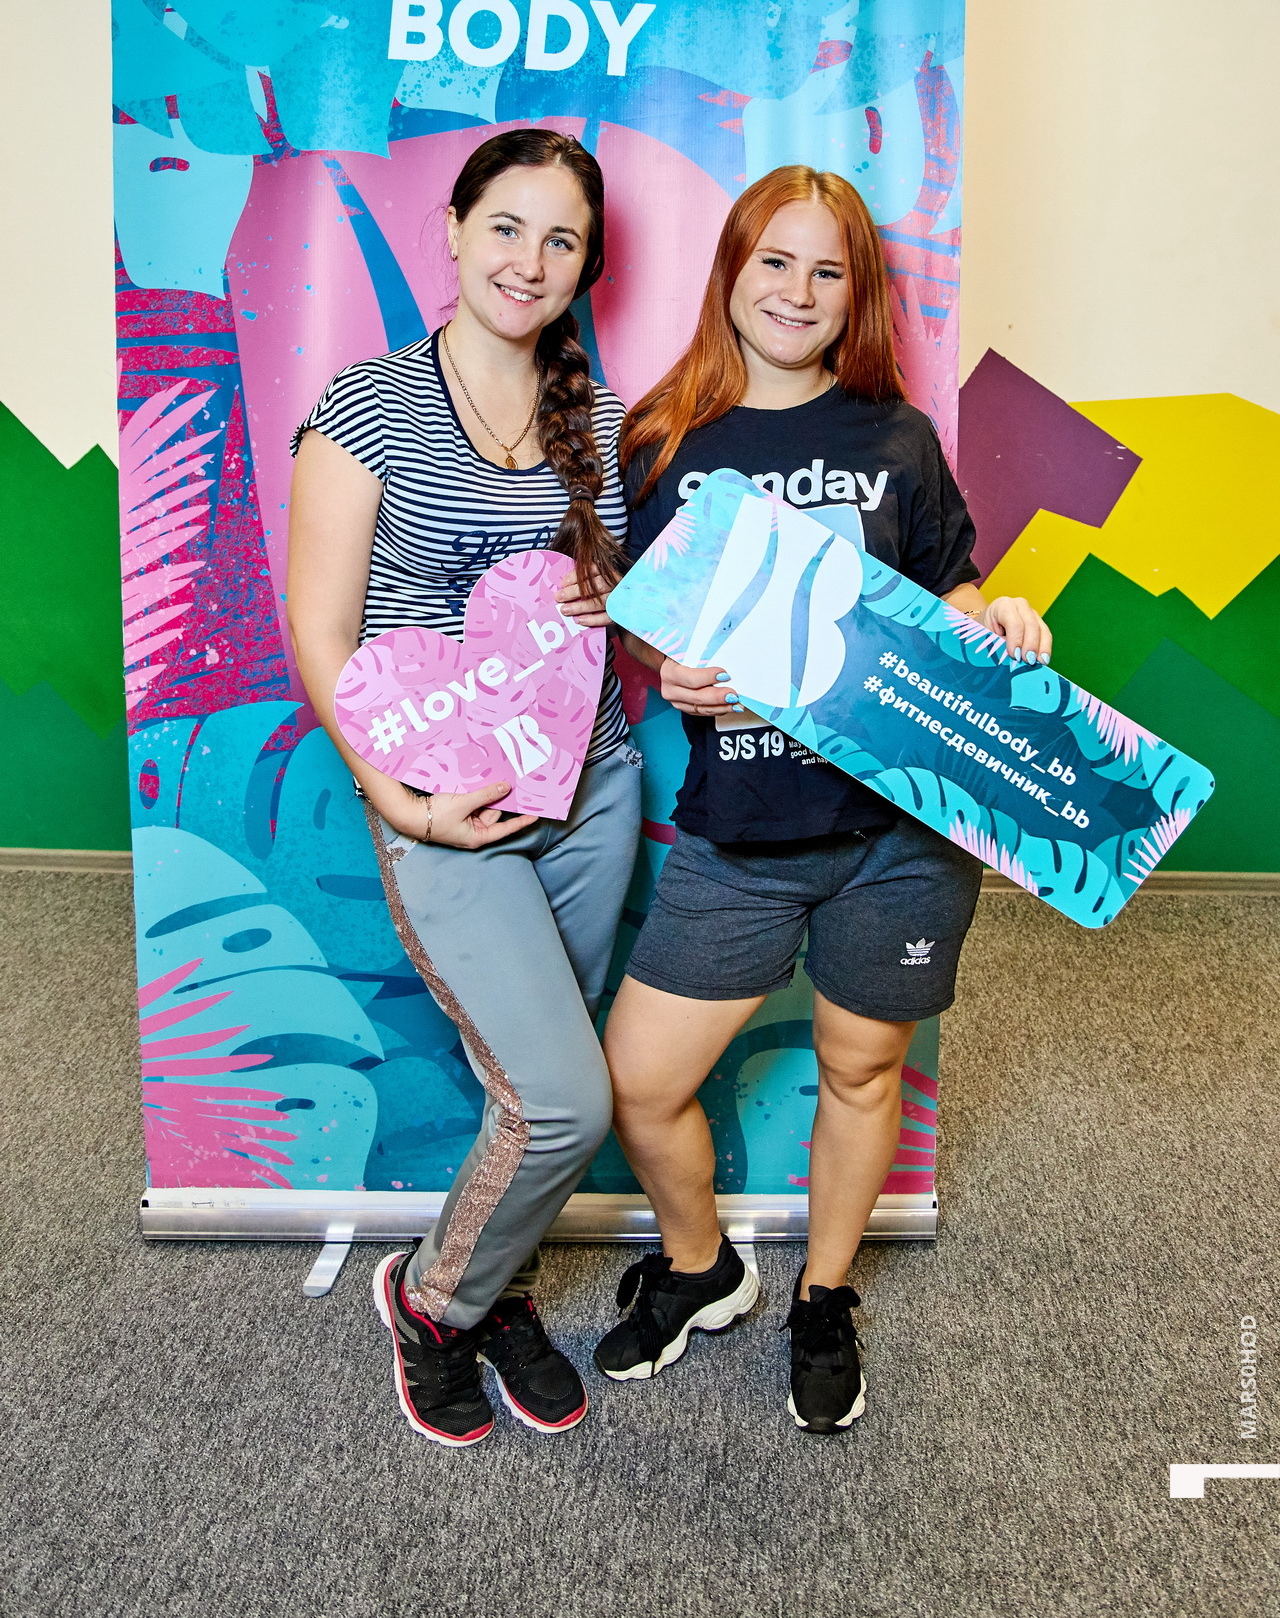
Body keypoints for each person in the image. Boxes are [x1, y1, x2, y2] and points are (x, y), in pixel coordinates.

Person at [594, 165, 1052, 1433]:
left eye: (827, 270)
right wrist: (663, 667)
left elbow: (951, 592)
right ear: (731, 271)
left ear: (855, 294)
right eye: (774, 261)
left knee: (862, 1071)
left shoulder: (893, 437)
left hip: (897, 839)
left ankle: (823, 1297)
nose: (796, 291)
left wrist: (1000, 623)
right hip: (738, 832)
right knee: (639, 1081)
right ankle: (701, 1269)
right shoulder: (664, 438)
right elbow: (635, 620)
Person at [287, 128, 639, 1448]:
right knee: (563, 1100)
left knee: (534, 1087)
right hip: (440, 807)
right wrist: (398, 803)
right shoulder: (367, 406)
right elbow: (321, 632)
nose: (528, 261)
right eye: (506, 226)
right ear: (451, 227)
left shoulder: (606, 421)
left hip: (592, 791)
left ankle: (493, 1291)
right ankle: (433, 1304)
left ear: (586, 266)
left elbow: (629, 610)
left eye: (561, 240)